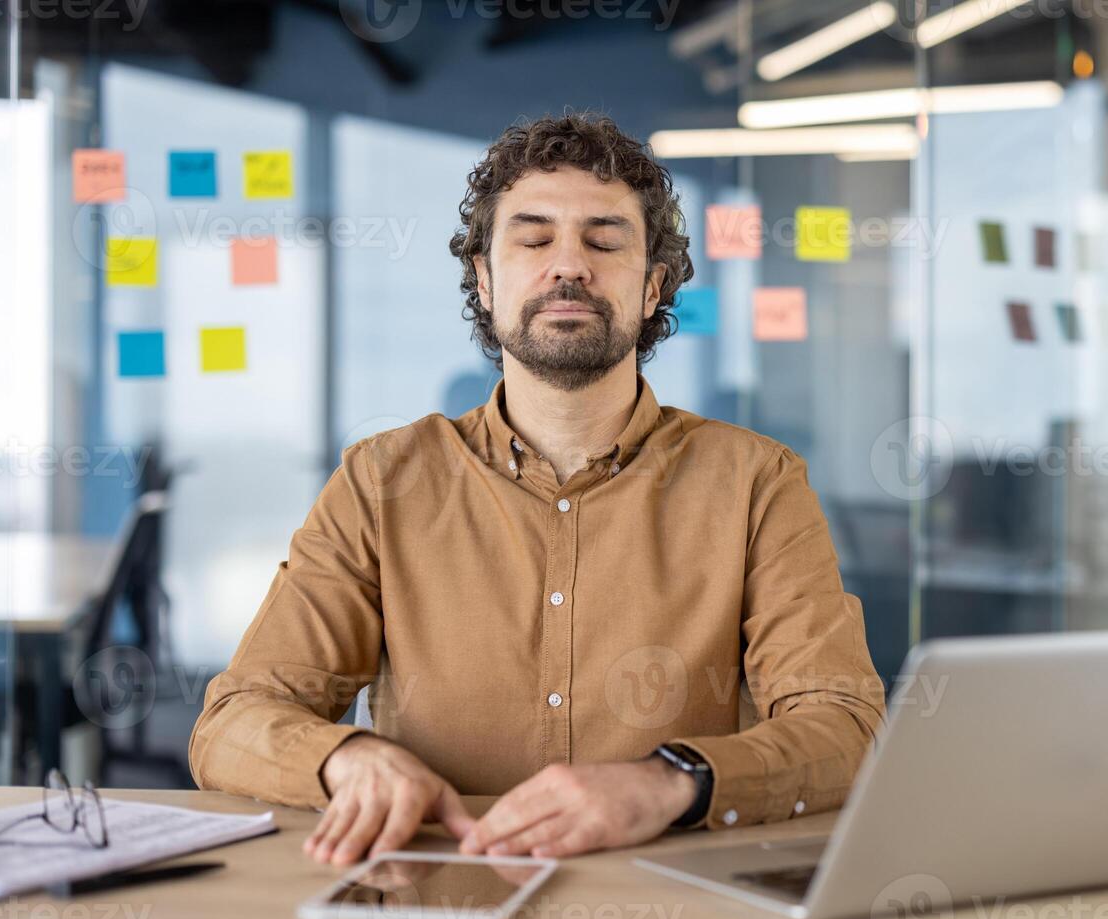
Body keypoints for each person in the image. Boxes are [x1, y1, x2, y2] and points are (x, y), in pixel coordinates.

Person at [188, 112, 885, 867]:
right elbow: (232, 722)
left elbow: (845, 725)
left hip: (668, 901)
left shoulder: (757, 482)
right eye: (534, 237)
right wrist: (346, 758)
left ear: (653, 287)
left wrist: (667, 783)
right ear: (485, 282)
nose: (569, 266)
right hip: (434, 890)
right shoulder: (381, 481)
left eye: (604, 239)